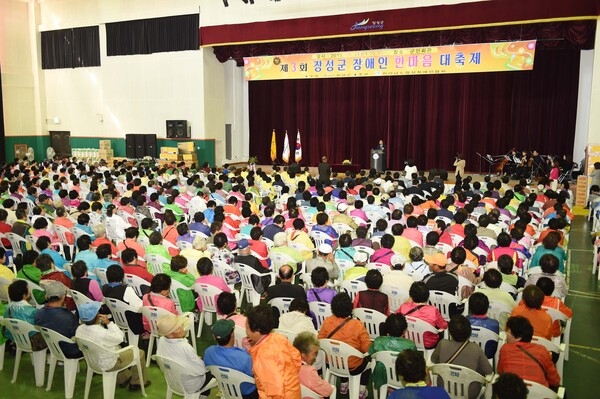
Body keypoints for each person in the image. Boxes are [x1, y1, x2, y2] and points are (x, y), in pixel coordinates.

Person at [76, 301, 150, 391]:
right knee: (139, 352)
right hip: (108, 364)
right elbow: (120, 338)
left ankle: (123, 379)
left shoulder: (79, 329)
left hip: (92, 361)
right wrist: (109, 323)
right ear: (97, 316)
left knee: (117, 349)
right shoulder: (101, 333)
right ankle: (137, 383)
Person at [318, 293, 371, 398]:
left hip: (332, 363)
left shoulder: (327, 321)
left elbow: (320, 340)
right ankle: (361, 390)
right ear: (350, 307)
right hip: (353, 366)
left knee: (340, 354)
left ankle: (343, 383)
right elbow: (366, 348)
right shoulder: (357, 325)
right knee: (368, 361)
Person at [245, 304, 302, 398]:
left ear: (257, 330)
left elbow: (276, 390)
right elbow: (296, 358)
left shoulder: (263, 356)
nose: (246, 331)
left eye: (247, 328)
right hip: (293, 390)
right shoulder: (278, 337)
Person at [431, 315, 493, 399]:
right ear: (469, 331)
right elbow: (488, 370)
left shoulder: (442, 344)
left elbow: (433, 359)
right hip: (469, 392)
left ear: (450, 331)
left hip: (444, 388)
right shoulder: (475, 348)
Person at [156, 314, 214, 396]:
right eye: (177, 328)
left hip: (173, 381)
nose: (182, 327)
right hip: (191, 386)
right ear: (169, 334)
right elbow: (202, 371)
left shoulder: (161, 340)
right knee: (212, 370)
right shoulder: (185, 347)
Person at [497, 316, 560, 389]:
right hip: (540, 393)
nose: (506, 333)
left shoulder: (505, 349)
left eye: (509, 331)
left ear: (519, 337)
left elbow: (500, 372)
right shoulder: (542, 350)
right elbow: (555, 380)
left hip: (512, 391)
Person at [204, 319, 258, 399]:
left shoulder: (208, 352)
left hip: (225, 389)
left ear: (214, 337)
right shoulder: (244, 358)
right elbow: (255, 376)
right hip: (247, 393)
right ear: (232, 334)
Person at [368, 314, 417, 392]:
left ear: (386, 328)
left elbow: (370, 353)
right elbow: (415, 363)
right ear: (405, 330)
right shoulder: (410, 345)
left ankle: (388, 389)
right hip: (403, 376)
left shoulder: (378, 341)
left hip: (383, 375)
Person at [34, 281, 82, 358]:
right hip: (69, 350)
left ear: (46, 297)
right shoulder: (69, 317)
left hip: (51, 347)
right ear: (63, 297)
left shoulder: (38, 314)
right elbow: (78, 334)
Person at [396, 282, 448, 349]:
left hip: (407, 339)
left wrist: (406, 302)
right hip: (429, 343)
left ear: (411, 295)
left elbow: (395, 316)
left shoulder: (403, 307)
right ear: (427, 295)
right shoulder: (433, 310)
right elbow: (444, 325)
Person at [293, 332, 334, 399]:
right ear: (303, 354)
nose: (315, 357)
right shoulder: (309, 371)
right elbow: (327, 391)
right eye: (314, 353)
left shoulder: (288, 363)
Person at [466, 292, 499, 358]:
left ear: (469, 307)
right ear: (487, 308)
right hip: (487, 356)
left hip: (465, 354)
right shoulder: (494, 324)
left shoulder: (463, 322)